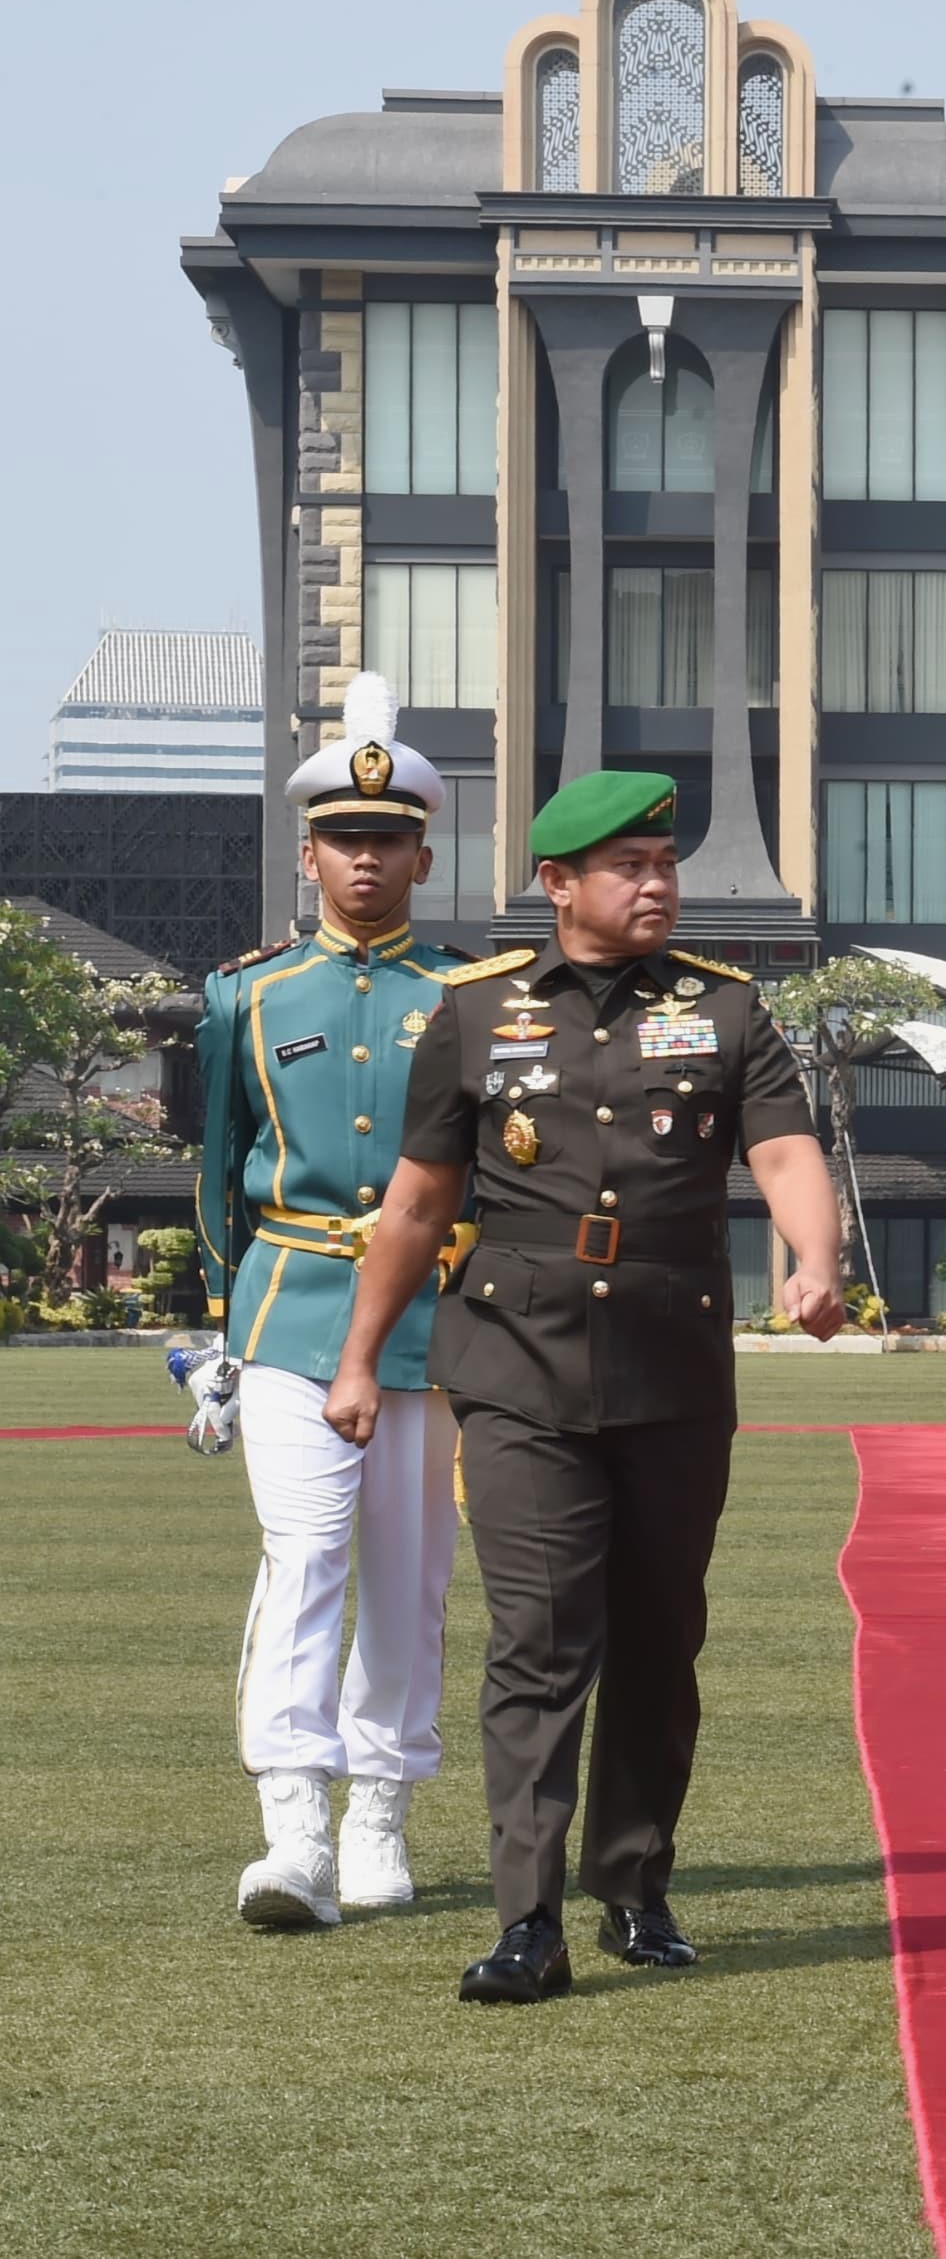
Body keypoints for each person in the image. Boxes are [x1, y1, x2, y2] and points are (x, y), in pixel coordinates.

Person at [330, 769, 848, 2004]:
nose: (658, 883)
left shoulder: (728, 1014)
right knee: (540, 1637)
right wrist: (360, 1355)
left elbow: (780, 1147)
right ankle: (529, 1921)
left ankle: (635, 1885)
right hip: (516, 1357)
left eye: (664, 863)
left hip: (671, 1357)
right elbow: (417, 1202)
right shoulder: (473, 1013)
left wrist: (815, 1260)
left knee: (659, 1638)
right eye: (629, 868)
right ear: (556, 886)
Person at [195, 671, 472, 1930]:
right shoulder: (245, 997)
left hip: (428, 1319)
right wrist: (222, 1327)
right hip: (292, 1309)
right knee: (302, 1557)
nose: (367, 861)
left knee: (410, 1573)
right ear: (309, 853)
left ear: (423, 852)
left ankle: (382, 1813)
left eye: (389, 840)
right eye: (345, 840)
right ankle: (294, 1821)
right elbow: (218, 1170)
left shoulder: (467, 1000)